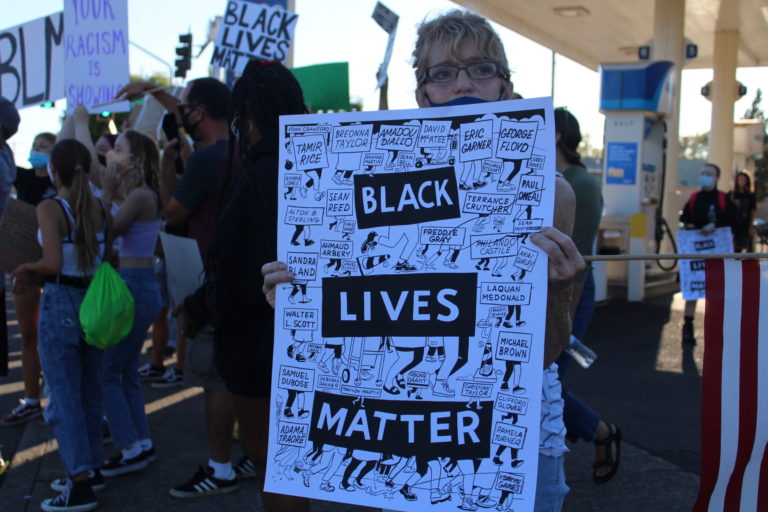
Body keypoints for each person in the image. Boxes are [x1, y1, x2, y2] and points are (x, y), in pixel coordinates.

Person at [263, 10, 583, 511]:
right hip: (405, 436)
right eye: (443, 72)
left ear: (506, 89)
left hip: (504, 433)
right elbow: (358, 331)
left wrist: (563, 290)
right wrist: (298, 304)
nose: (463, 84)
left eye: (482, 69)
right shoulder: (348, 189)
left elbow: (542, 351)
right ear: (422, 95)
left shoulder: (549, 194)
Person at [177, 59, 310, 512]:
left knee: (273, 465)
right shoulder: (312, 169)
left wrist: (197, 308)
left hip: (258, 350)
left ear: (247, 115)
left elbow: (236, 277)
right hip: (306, 346)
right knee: (293, 466)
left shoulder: (256, 175)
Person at [115, 77, 246, 497]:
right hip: (248, 282)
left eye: (186, 108)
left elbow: (171, 214)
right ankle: (252, 457)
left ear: (199, 113)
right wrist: (155, 92)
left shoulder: (207, 160)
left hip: (213, 287)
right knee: (246, 377)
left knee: (218, 380)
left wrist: (170, 166)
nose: (181, 114)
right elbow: (187, 107)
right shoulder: (247, 149)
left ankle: (219, 468)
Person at [12, 139, 111, 512]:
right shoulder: (101, 207)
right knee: (89, 394)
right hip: (94, 305)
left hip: (61, 303)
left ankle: (79, 484)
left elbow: (52, 263)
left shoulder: (50, 208)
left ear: (54, 169)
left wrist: (26, 268)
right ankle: (90, 471)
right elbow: (108, 257)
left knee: (63, 399)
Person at [552, 108, 620, 485]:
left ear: (558, 134)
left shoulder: (580, 183)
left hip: (568, 290)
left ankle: (600, 430)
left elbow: (574, 259)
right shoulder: (551, 176)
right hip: (543, 289)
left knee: (544, 382)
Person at [97, 129, 163, 477]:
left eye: (119, 150)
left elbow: (107, 231)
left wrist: (106, 195)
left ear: (135, 160)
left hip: (134, 285)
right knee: (124, 372)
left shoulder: (139, 195)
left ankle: (129, 447)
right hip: (137, 284)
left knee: (108, 371)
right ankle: (141, 441)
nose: (111, 155)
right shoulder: (139, 193)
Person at [1, 132, 55, 427]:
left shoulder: (58, 182)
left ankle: (57, 395)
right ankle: (31, 399)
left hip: (52, 268)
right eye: (35, 146)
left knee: (56, 337)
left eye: (45, 147)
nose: (37, 150)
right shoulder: (21, 178)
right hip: (23, 266)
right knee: (28, 334)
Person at [679, 162, 736, 344]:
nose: (705, 176)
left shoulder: (723, 199)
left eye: (709, 174)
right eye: (703, 173)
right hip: (696, 255)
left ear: (717, 177)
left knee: (717, 292)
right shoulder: (694, 198)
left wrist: (715, 226)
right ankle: (688, 327)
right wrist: (689, 225)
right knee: (692, 291)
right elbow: (684, 217)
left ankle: (717, 331)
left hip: (717, 256)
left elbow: (734, 221)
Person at [728, 171, 757, 252]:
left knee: (747, 247)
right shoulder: (731, 195)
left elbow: (753, 211)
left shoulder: (750, 195)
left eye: (744, 180)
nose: (742, 181)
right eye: (740, 179)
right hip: (733, 226)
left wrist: (751, 226)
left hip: (745, 225)